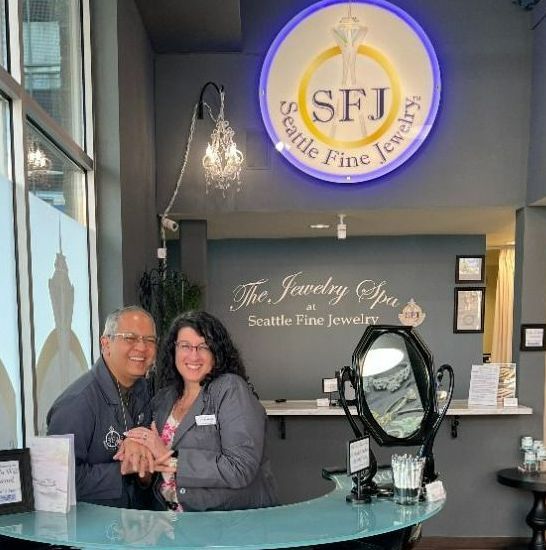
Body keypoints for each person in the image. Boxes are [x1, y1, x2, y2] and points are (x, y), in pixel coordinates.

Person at [120, 310, 278, 512]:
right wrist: (136, 450)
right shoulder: (163, 399)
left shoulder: (230, 389)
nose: (193, 355)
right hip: (170, 521)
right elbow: (151, 464)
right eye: (185, 346)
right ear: (174, 350)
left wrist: (172, 460)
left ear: (216, 352)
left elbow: (240, 468)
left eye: (203, 346)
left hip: (225, 523)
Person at [47, 305, 160, 508]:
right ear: (106, 343)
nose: (142, 347)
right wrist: (127, 467)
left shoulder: (143, 389)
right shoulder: (77, 402)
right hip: (91, 523)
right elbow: (57, 481)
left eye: (150, 340)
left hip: (139, 520)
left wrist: (143, 457)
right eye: (130, 338)